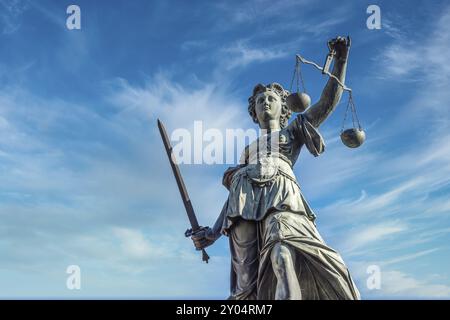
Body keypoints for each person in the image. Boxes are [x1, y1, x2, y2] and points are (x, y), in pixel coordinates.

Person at [192, 36, 361, 300]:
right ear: (254, 111)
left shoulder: (293, 131)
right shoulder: (248, 151)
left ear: (285, 107)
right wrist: (212, 233)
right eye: (260, 100)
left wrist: (341, 60)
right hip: (244, 205)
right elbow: (235, 197)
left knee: (283, 253)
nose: (265, 102)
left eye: (271, 98)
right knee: (246, 286)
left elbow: (328, 102)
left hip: (282, 196)